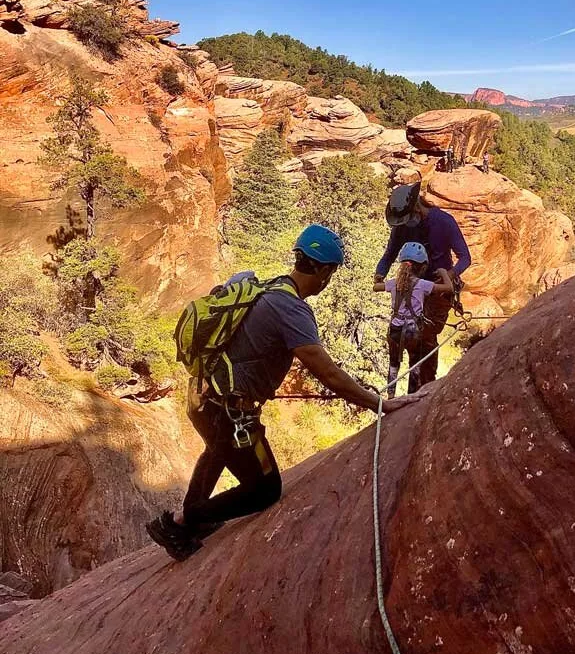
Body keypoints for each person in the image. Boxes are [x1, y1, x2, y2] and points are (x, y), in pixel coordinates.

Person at [147, 224, 416, 561]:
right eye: (330, 272)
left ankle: (185, 524)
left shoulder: (272, 287)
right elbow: (328, 373)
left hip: (204, 398)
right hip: (230, 410)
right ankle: (180, 521)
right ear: (320, 268)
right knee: (265, 490)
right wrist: (380, 404)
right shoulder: (292, 309)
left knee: (217, 449)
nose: (328, 280)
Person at [374, 182, 471, 386]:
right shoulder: (402, 228)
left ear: (417, 208)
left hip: (437, 292)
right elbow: (390, 254)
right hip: (412, 287)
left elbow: (465, 258)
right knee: (406, 335)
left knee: (425, 338)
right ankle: (410, 384)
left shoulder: (443, 222)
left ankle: (424, 385)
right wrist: (379, 273)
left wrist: (449, 274)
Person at [374, 242, 452, 396]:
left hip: (395, 330)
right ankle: (410, 396)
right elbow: (449, 288)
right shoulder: (423, 284)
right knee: (414, 364)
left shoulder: (393, 283)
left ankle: (390, 396)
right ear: (422, 267)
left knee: (393, 364)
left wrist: (378, 277)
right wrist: (443, 273)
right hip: (413, 331)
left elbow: (376, 287)